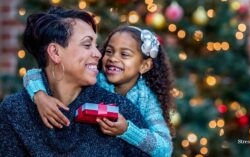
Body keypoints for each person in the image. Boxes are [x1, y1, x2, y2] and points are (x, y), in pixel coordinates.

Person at [0, 7, 149, 157]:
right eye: (87, 45)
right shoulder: (15, 111)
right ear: (55, 52)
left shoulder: (121, 111)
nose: (98, 54)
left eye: (96, 46)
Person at [23, 26, 174, 156]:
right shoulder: (94, 79)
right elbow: (33, 74)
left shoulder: (147, 100)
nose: (113, 58)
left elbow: (164, 149)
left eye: (124, 54)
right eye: (109, 51)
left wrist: (127, 130)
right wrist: (40, 96)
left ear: (145, 66)